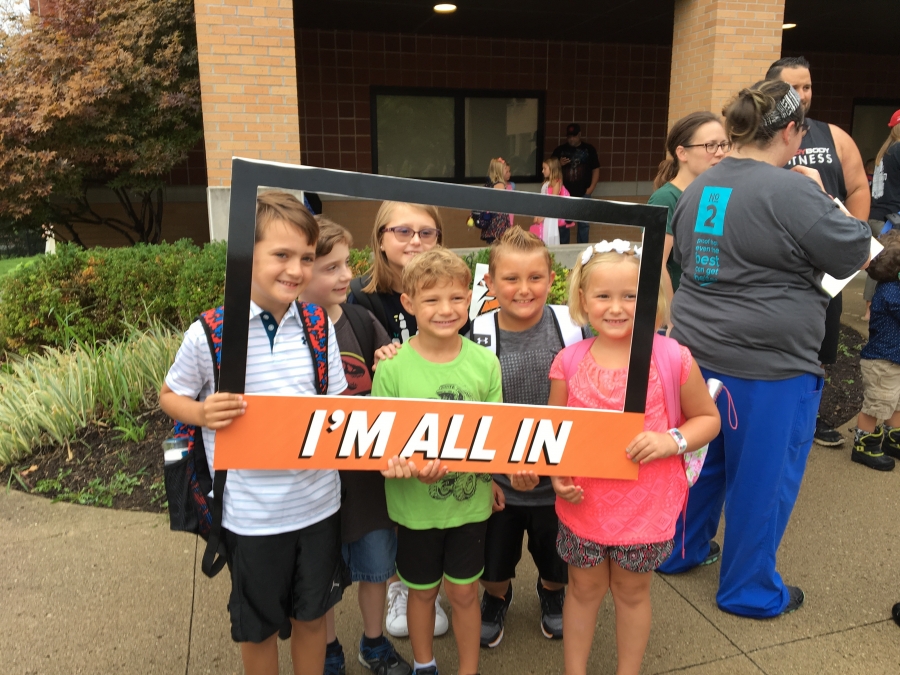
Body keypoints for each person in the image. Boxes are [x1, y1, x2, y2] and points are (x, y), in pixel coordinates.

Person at [657, 80, 871, 618]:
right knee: (762, 479)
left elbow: (687, 257)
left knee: (701, 461)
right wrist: (825, 196)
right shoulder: (792, 190)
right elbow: (859, 251)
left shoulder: (699, 187)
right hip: (770, 367)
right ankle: (748, 590)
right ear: (793, 132)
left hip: (697, 355)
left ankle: (678, 551)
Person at [159, 192, 350, 675]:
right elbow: (169, 395)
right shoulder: (210, 332)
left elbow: (339, 408)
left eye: (306, 258)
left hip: (318, 505)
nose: (296, 269)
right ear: (246, 256)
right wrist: (201, 413)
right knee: (258, 627)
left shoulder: (317, 324)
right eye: (281, 255)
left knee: (312, 618)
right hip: (251, 516)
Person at [548, 240, 720, 675]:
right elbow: (555, 435)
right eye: (603, 295)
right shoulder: (567, 363)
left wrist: (672, 439)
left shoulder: (673, 358)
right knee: (583, 589)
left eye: (631, 295)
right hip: (583, 505)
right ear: (583, 300)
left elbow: (708, 418)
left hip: (646, 507)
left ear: (651, 300)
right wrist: (556, 477)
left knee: (631, 591)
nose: (617, 307)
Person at [375, 247, 503, 675]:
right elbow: (382, 444)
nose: (445, 310)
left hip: (469, 505)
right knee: (421, 592)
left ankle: (469, 669)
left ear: (469, 299)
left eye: (455, 299)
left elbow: (496, 436)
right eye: (431, 300)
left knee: (465, 592)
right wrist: (406, 465)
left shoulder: (486, 363)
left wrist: (497, 476)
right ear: (409, 304)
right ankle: (424, 665)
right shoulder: (391, 370)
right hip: (414, 509)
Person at [299, 218, 412, 675]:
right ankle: (327, 651)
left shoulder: (363, 321)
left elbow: (397, 387)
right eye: (331, 267)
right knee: (322, 575)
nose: (346, 276)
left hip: (366, 480)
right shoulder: (292, 333)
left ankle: (374, 642)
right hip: (315, 481)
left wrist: (390, 361)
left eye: (346, 264)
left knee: (375, 567)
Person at [471, 228, 590, 648]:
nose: (524, 289)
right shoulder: (476, 334)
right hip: (500, 484)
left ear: (551, 277)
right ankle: (496, 598)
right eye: (511, 279)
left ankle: (551, 595)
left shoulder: (572, 328)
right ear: (489, 282)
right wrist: (493, 472)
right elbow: (471, 415)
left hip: (558, 483)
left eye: (535, 278)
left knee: (556, 560)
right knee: (493, 563)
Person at [346, 201, 451, 638]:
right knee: (393, 499)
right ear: (381, 238)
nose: (415, 241)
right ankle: (396, 586)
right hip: (388, 417)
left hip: (440, 409)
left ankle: (429, 585)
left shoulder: (450, 287)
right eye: (403, 231)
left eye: (427, 233)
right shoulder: (359, 294)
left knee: (435, 493)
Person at [767, 55, 871, 447]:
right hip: (779, 264)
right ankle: (775, 418)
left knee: (824, 346)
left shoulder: (834, 137)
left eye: (807, 86)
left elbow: (859, 188)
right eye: (794, 87)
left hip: (827, 269)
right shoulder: (762, 140)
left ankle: (810, 418)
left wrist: (856, 236)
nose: (802, 94)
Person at [648, 111, 730, 302]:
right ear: (682, 152)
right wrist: (671, 316)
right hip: (682, 312)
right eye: (710, 145)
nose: (720, 153)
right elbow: (655, 265)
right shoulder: (665, 198)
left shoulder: (716, 195)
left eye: (723, 145)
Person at [850, 229, 900, 472]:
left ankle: (894, 437)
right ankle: (864, 444)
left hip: (893, 360)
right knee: (877, 404)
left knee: (895, 403)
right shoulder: (892, 293)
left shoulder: (892, 287)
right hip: (882, 363)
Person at [864, 111, 900, 320]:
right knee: (889, 263)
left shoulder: (884, 152)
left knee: (878, 261)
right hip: (892, 218)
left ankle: (870, 309)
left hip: (877, 215)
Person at [552, 124, 600, 244]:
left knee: (584, 225)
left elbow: (596, 169)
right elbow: (549, 169)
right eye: (569, 136)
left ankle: (583, 252)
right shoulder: (559, 150)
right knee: (563, 225)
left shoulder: (589, 150)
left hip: (584, 192)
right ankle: (563, 250)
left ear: (579, 135)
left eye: (574, 136)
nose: (571, 139)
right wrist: (559, 163)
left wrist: (592, 187)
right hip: (564, 194)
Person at [531, 157, 569, 246]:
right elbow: (542, 201)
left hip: (550, 216)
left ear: (552, 169)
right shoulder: (546, 183)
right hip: (544, 213)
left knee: (550, 236)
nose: (542, 171)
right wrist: (537, 214)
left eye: (544, 168)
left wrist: (543, 216)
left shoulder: (556, 182)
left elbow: (553, 201)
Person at [477, 157, 515, 244]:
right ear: (499, 170)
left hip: (491, 223)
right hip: (498, 224)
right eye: (505, 169)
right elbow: (503, 203)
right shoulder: (500, 185)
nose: (507, 171)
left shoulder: (489, 184)